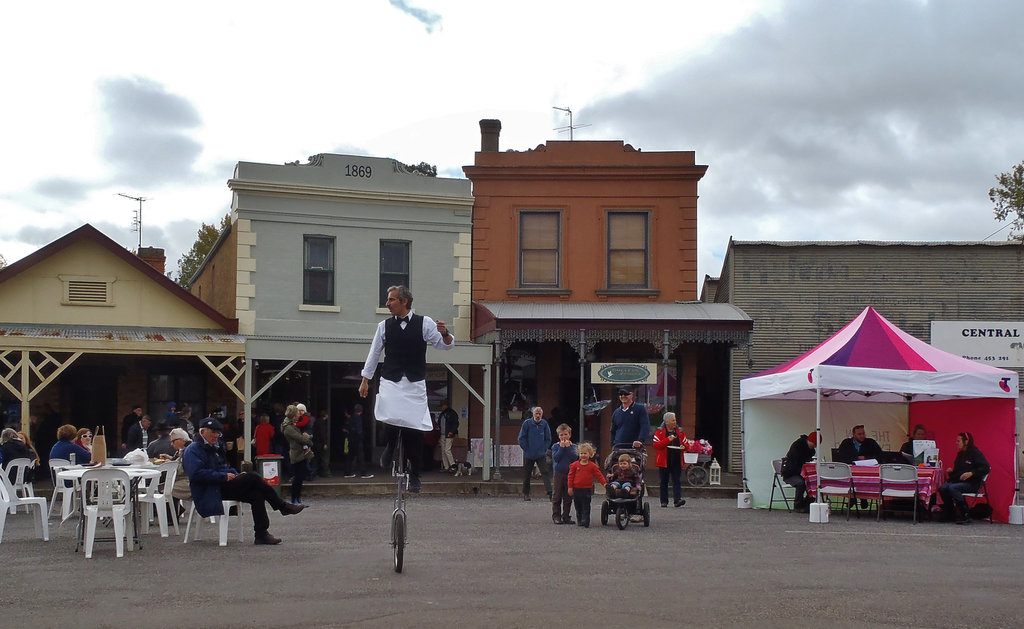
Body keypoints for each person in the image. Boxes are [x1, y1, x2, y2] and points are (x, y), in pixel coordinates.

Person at [359, 285, 454, 493]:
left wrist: (445, 333)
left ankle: (415, 475)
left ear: (404, 302)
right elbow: (374, 353)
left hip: (414, 382)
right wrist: (365, 379)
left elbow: (445, 345)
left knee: (415, 430)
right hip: (391, 379)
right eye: (387, 299)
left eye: (391, 299)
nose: (387, 303)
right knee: (388, 413)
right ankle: (390, 445)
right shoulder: (384, 326)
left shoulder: (424, 323)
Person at [182, 417, 304, 545]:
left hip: (220, 486)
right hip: (208, 490)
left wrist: (236, 474)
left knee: (256, 493)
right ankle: (282, 506)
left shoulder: (215, 448)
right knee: (253, 477)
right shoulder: (193, 450)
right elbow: (196, 474)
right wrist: (223, 476)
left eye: (218, 432)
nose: (216, 435)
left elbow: (224, 467)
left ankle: (261, 534)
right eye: (213, 432)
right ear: (202, 432)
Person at [937, 431, 991, 525]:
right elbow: (959, 471)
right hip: (959, 481)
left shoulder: (975, 453)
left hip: (973, 483)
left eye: (958, 441)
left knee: (953, 488)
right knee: (943, 488)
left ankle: (965, 514)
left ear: (966, 442)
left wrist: (971, 473)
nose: (956, 443)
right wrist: (952, 472)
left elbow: (986, 467)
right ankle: (950, 513)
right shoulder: (960, 454)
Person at [518, 406, 553, 501]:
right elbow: (521, 438)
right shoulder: (527, 423)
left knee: (545, 472)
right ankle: (526, 493)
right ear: (533, 414)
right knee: (527, 474)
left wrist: (544, 449)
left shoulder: (544, 424)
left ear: (541, 414)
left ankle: (550, 493)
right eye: (536, 414)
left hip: (540, 454)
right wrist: (526, 449)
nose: (538, 416)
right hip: (529, 454)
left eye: (539, 414)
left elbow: (548, 438)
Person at [567, 442, 606, 528]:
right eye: (581, 453)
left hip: (587, 489)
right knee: (578, 505)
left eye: (585, 453)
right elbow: (570, 477)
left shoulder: (593, 466)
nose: (583, 455)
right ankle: (580, 519)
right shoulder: (574, 465)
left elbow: (599, 475)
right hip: (576, 489)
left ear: (590, 454)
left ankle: (586, 520)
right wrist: (570, 487)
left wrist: (605, 484)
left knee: (586, 505)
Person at [652, 411, 686, 508]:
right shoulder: (659, 432)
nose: (675, 422)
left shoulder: (680, 431)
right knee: (664, 481)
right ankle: (664, 501)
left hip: (677, 459)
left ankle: (677, 500)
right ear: (667, 422)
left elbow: (686, 443)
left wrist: (684, 446)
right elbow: (656, 445)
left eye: (675, 420)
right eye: (673, 420)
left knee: (677, 480)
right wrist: (668, 440)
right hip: (664, 461)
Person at [281, 404, 314, 505]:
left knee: (300, 477)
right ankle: (294, 498)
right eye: (296, 414)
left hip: (300, 453)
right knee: (298, 478)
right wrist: (309, 441)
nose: (299, 415)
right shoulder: (288, 428)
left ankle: (297, 498)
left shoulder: (291, 425)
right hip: (296, 454)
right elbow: (299, 438)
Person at [780, 431, 818, 512]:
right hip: (790, 473)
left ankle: (805, 504)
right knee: (801, 483)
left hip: (801, 473)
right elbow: (795, 464)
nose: (815, 447)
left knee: (814, 484)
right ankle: (798, 505)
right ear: (810, 440)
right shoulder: (797, 446)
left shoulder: (810, 450)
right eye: (814, 444)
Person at [550, 423, 578, 525]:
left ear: (569, 435)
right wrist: (562, 448)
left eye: (565, 434)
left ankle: (566, 516)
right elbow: (556, 458)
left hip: (570, 474)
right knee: (557, 495)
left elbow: (574, 458)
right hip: (558, 473)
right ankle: (556, 516)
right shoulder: (555, 446)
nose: (563, 437)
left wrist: (568, 447)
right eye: (561, 435)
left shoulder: (574, 446)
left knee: (568, 496)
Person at [343, 404, 373, 479]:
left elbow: (346, 428)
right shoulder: (358, 418)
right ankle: (363, 473)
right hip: (357, 441)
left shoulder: (351, 418)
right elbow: (359, 430)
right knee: (361, 457)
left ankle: (347, 472)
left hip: (351, 440)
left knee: (350, 457)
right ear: (361, 411)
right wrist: (361, 438)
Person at [437, 399, 460, 472]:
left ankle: (453, 465)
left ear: (445, 405)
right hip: (443, 434)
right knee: (443, 451)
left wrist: (452, 431)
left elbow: (456, 423)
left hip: (449, 434)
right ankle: (446, 466)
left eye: (442, 406)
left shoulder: (452, 413)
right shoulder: (443, 414)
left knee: (447, 450)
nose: (441, 408)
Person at [312, 409, 331, 478]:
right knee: (324, 457)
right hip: (320, 443)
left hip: (316, 442)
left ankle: (314, 472)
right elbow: (322, 433)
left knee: (316, 458)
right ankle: (325, 473)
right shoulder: (322, 422)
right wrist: (325, 443)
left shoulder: (317, 421)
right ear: (326, 415)